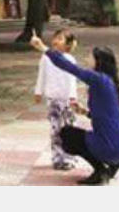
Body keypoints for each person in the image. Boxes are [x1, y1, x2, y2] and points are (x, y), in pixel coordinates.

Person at [29, 30, 119, 185]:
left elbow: (68, 67)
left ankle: (100, 170)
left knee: (67, 135)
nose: (87, 58)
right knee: (78, 135)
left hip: (110, 146)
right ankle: (114, 164)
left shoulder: (98, 79)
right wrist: (85, 112)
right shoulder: (110, 82)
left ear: (99, 61)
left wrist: (42, 47)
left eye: (90, 56)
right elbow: (107, 114)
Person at [34, 28, 78, 170]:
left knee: (69, 129)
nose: (55, 41)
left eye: (60, 38)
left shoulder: (70, 60)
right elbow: (42, 75)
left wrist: (73, 97)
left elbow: (72, 80)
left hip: (67, 100)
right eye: (55, 38)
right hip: (53, 99)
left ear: (68, 44)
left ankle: (70, 158)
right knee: (55, 130)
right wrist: (38, 91)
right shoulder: (46, 58)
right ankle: (57, 158)